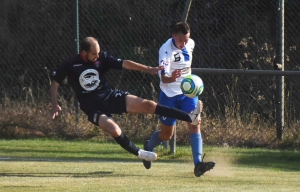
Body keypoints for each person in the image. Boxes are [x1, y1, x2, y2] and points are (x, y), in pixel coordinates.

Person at [50, 37, 201, 163]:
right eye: (94, 54)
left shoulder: (101, 57)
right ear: (84, 53)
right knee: (114, 130)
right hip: (92, 107)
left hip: (110, 96)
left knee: (149, 105)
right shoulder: (70, 64)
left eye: (99, 52)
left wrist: (147, 68)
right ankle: (141, 154)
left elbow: (125, 63)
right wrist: (55, 104)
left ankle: (190, 117)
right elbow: (55, 83)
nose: (98, 56)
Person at [143, 22, 216, 177]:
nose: (184, 44)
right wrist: (172, 78)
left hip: (188, 94)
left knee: (195, 122)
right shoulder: (165, 50)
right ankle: (148, 147)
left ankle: (198, 165)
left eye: (186, 39)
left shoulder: (191, 44)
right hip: (168, 95)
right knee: (166, 135)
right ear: (173, 36)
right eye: (181, 40)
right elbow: (164, 77)